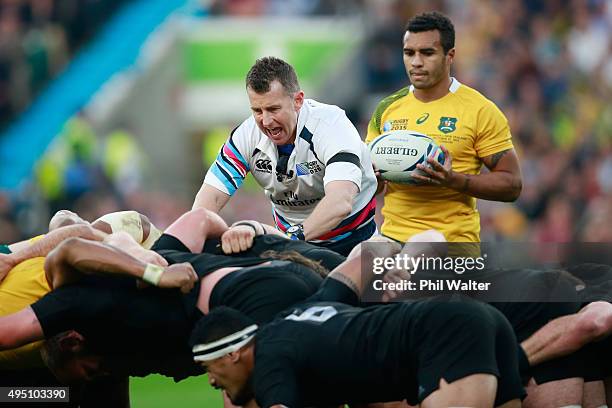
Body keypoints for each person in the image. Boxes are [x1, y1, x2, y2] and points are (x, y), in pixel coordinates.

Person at [193, 56, 378, 256]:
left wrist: (292, 238)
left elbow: (341, 201)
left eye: (273, 109)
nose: (266, 121)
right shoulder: (246, 136)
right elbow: (209, 198)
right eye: (257, 110)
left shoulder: (332, 126)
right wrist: (190, 240)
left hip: (357, 242)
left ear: (298, 101)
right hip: (293, 245)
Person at [365, 11, 522, 243]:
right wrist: (373, 180)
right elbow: (370, 185)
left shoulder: (479, 110)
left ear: (450, 56)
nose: (416, 62)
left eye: (427, 53)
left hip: (452, 248)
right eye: (409, 53)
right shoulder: (387, 108)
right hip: (392, 242)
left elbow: (512, 184)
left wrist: (453, 180)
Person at [190, 300, 524, 408]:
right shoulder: (291, 321)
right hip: (478, 317)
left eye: (209, 367)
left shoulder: (267, 361)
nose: (210, 380)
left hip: (445, 331)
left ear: (232, 354)